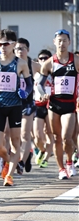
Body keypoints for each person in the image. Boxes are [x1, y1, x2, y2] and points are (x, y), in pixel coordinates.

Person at [0, 28, 32, 186]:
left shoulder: (21, 63)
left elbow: (30, 85)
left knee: (15, 141)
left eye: (6, 44)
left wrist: (25, 92)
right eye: (0, 44)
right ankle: (9, 161)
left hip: (15, 106)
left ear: (13, 45)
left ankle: (9, 175)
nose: (3, 47)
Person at [38, 29, 78, 179]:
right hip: (54, 104)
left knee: (67, 137)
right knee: (56, 138)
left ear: (69, 42)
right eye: (59, 41)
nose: (62, 44)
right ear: (55, 42)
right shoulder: (49, 63)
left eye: (64, 41)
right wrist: (43, 94)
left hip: (70, 105)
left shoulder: (75, 60)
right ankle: (61, 169)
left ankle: (69, 162)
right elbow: (40, 85)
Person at [14, 38, 38, 173]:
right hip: (13, 103)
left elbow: (48, 72)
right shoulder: (11, 64)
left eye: (22, 48)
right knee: (14, 135)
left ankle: (22, 162)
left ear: (28, 50)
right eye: (17, 48)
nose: (20, 51)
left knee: (25, 134)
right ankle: (24, 155)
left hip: (27, 103)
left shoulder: (32, 65)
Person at [33, 48, 54, 168]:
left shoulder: (53, 74)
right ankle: (41, 150)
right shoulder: (36, 74)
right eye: (40, 58)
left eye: (45, 58)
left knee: (49, 133)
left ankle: (46, 159)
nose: (42, 60)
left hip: (50, 105)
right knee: (38, 136)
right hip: (38, 105)